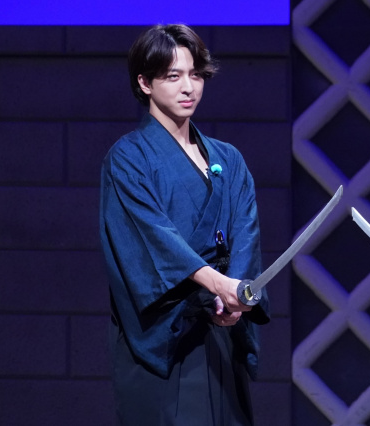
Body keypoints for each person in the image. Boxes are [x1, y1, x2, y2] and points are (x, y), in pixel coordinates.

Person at [99, 24, 270, 425]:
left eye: (195, 74)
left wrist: (236, 295)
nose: (188, 87)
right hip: (167, 336)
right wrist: (217, 284)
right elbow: (153, 237)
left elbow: (246, 231)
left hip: (222, 327)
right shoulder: (128, 158)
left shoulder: (228, 158)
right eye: (173, 76)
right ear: (144, 83)